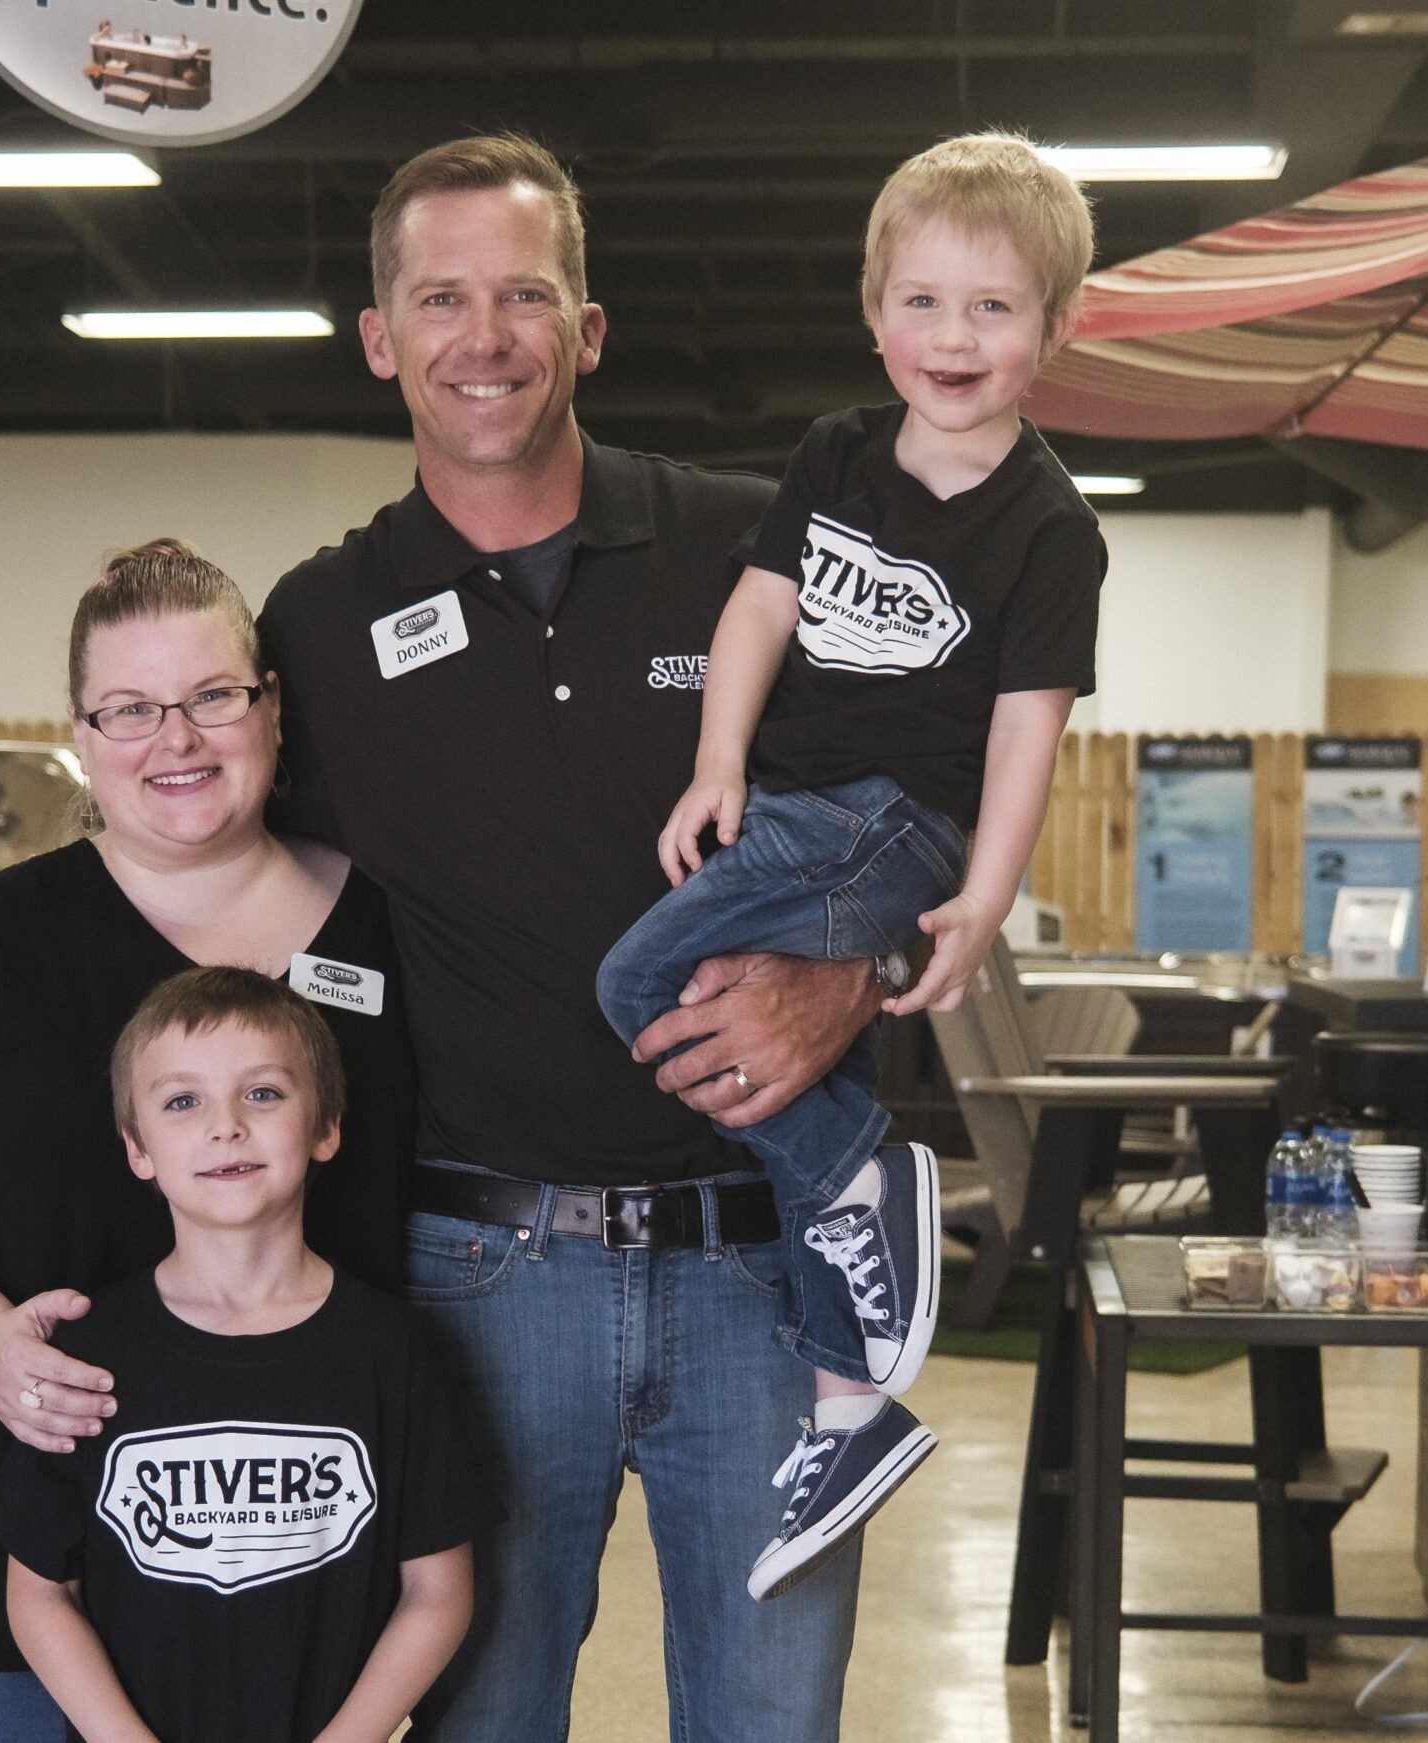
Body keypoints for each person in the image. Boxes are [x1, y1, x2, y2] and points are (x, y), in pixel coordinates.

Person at [258, 134, 893, 1743]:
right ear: (380, 337)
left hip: (768, 1267)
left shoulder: (755, 549)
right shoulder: (319, 627)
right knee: (479, 1718)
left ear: (588, 328)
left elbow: (933, 813)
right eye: (441, 299)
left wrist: (859, 971)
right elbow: (240, 888)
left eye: (525, 294)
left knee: (772, 1722)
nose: (485, 337)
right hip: (474, 1280)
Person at [597, 129, 1104, 1600]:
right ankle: (847, 1405)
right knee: (745, 1036)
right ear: (875, 310)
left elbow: (1027, 727)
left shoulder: (1050, 529)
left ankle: (865, 1175)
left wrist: (985, 897)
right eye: (923, 301)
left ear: (1055, 328)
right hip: (792, 807)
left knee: (636, 977)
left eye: (993, 308)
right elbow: (760, 611)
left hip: (894, 821)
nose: (954, 336)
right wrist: (717, 764)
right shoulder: (834, 453)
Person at [0, 539, 416, 1738]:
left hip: (307, 1552)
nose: (174, 740)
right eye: (130, 709)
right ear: (82, 737)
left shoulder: (398, 929)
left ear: (271, 708)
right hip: (39, 1541)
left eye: (212, 697)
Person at [0, 967, 484, 1743]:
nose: (225, 1125)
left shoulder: (395, 1352)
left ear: (325, 1126)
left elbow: (438, 1592)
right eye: (182, 1101)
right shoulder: (86, 1357)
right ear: (138, 1148)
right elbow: (40, 1593)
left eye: (262, 1092)